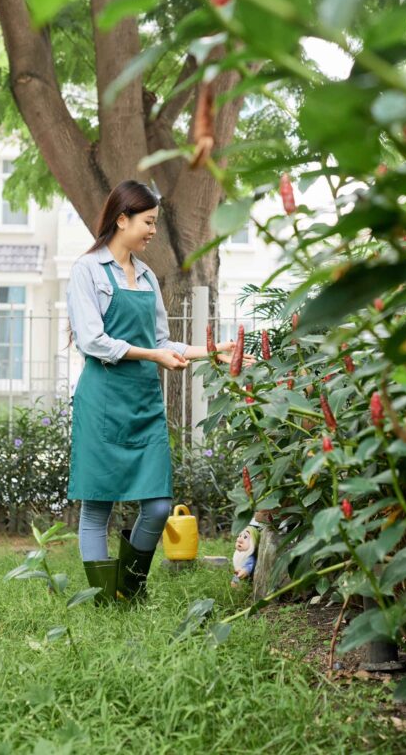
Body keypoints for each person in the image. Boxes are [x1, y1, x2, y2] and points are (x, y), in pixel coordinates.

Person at [66, 179, 254, 605]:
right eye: (148, 222)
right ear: (122, 219)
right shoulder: (88, 271)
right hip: (102, 399)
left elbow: (162, 340)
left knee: (156, 505)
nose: (153, 230)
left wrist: (211, 351)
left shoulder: (147, 275)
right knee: (98, 506)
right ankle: (104, 600)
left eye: (155, 222)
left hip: (143, 402)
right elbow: (93, 341)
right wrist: (153, 356)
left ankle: (129, 591)